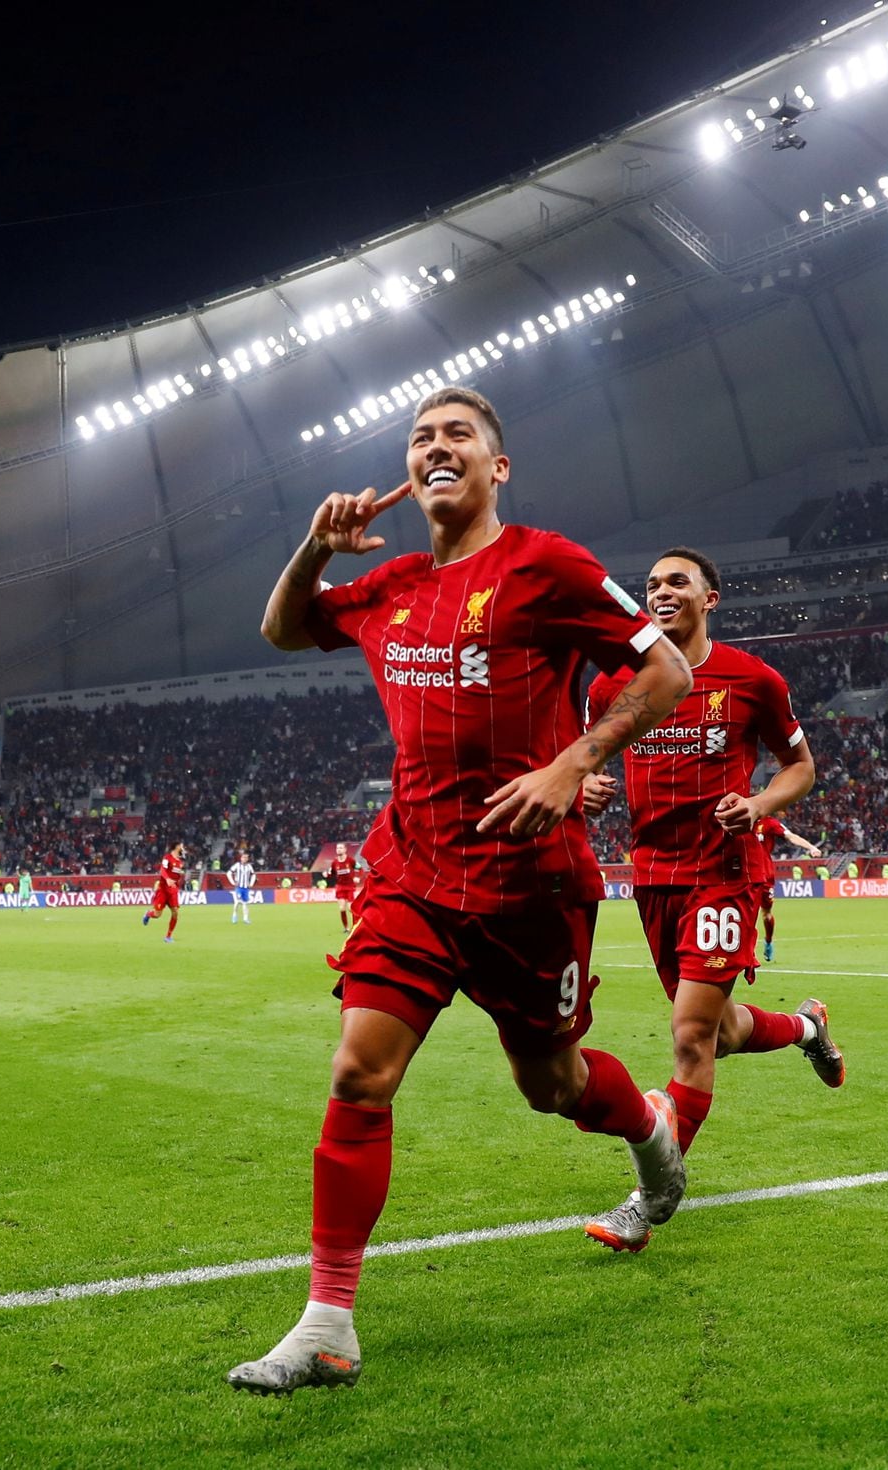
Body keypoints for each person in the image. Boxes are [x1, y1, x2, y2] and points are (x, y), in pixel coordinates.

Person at [231, 386, 694, 1395]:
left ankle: (650, 1128)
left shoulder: (545, 564)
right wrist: (316, 546)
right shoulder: (388, 584)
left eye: (459, 436)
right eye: (421, 438)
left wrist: (574, 762)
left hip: (529, 887)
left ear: (496, 468)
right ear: (409, 472)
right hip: (410, 874)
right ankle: (327, 1324)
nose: (437, 447)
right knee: (360, 1071)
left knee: (552, 1085)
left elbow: (663, 673)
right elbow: (278, 630)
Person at [579, 547, 843, 1253]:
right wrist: (589, 786)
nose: (661, 592)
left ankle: (652, 1195)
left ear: (710, 598)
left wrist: (757, 804)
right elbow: (589, 763)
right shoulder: (615, 686)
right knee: (719, 1030)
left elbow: (801, 768)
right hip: (653, 878)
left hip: (724, 871)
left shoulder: (751, 678)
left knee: (691, 1035)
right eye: (652, 584)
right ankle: (808, 1027)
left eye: (677, 582)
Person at [753, 814, 822, 962]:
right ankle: (745, 951)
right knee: (746, 914)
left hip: (765, 876)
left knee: (766, 914)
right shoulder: (740, 820)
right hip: (745, 875)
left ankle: (768, 941)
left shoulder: (768, 822)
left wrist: (810, 847)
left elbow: (790, 836)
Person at [142, 842, 188, 942]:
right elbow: (163, 870)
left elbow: (177, 876)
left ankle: (168, 936)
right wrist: (167, 879)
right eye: (181, 845)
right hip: (163, 890)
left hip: (173, 891)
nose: (182, 847)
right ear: (176, 846)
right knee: (157, 914)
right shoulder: (167, 858)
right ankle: (148, 914)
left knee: (175, 912)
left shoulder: (180, 862)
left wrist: (178, 881)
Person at [326, 841, 359, 932]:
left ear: (345, 849)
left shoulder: (350, 860)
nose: (338, 849)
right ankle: (346, 928)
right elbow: (332, 874)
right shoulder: (334, 862)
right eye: (337, 848)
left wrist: (357, 877)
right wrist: (326, 875)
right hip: (340, 887)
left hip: (350, 887)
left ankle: (356, 926)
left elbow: (360, 869)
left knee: (351, 908)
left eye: (340, 848)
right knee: (342, 908)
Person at [228, 849, 257, 925]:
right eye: (244, 857)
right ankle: (234, 915)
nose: (245, 859)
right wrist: (233, 882)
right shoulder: (237, 865)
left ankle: (245, 918)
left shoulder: (249, 866)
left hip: (246, 888)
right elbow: (229, 873)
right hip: (239, 887)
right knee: (237, 902)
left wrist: (251, 884)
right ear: (241, 858)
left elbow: (253, 875)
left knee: (245, 903)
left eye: (246, 857)